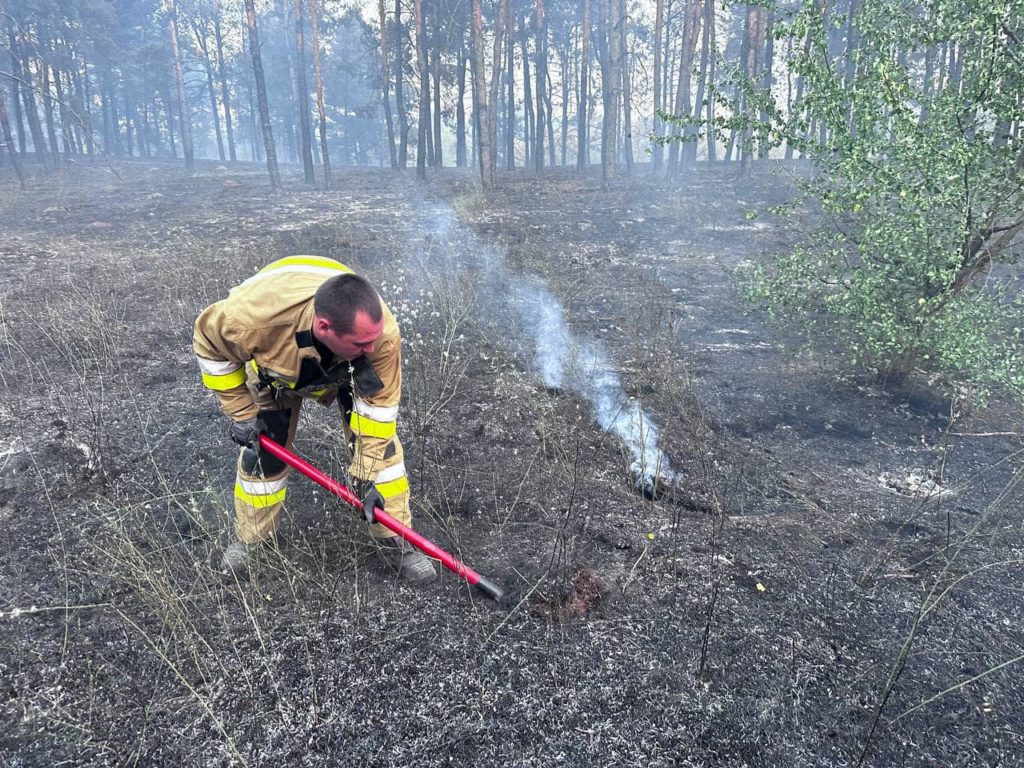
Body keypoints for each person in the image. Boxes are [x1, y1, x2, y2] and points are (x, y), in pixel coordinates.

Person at [192, 255, 436, 584]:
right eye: (363, 343)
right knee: (262, 456)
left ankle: (397, 542)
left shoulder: (378, 339)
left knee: (383, 457)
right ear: (324, 327)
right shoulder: (248, 320)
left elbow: (378, 414)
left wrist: (364, 476)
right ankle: (253, 542)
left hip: (345, 369)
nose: (373, 347)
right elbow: (208, 344)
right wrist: (242, 413)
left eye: (374, 340)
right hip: (278, 367)